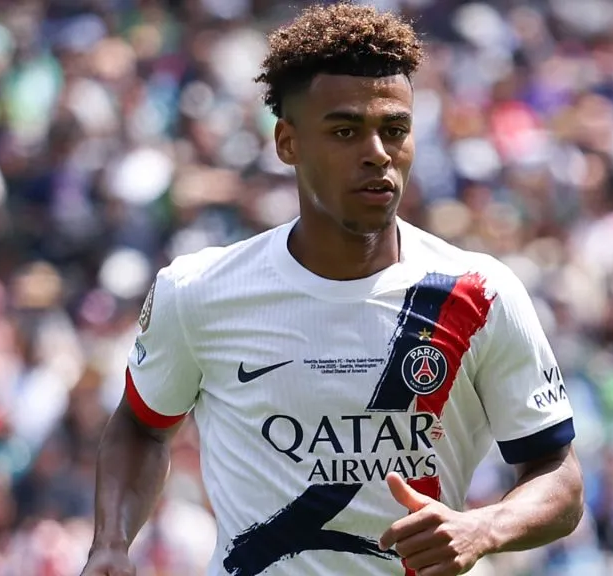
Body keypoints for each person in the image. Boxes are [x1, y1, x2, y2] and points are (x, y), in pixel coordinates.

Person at [81, 4, 584, 575]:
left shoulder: (478, 292)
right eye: (346, 131)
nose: (377, 152)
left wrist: (482, 527)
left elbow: (558, 477)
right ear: (287, 143)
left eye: (394, 130)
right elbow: (142, 426)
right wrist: (111, 543)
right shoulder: (198, 292)